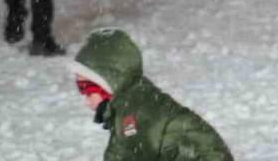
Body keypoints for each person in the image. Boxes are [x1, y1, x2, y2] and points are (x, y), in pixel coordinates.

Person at [72, 28, 233, 160]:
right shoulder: (133, 101)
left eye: (86, 88)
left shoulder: (135, 116)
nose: (85, 98)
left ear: (108, 84)